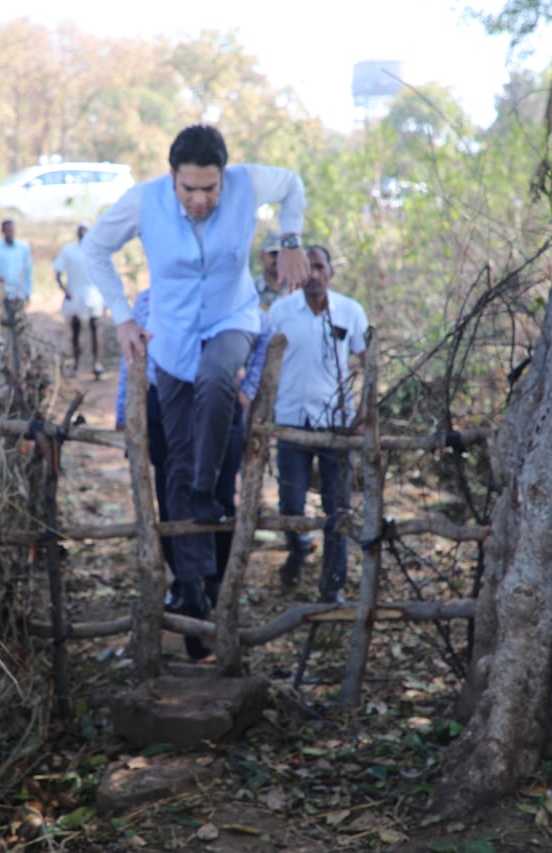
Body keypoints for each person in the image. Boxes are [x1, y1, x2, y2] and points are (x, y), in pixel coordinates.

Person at [86, 123, 309, 647]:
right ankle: (193, 594)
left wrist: (291, 239)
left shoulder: (249, 184)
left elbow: (294, 184)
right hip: (171, 341)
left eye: (211, 188)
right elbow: (96, 249)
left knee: (215, 380)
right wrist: (121, 316)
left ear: (224, 178)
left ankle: (208, 495)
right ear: (172, 178)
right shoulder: (144, 201)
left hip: (232, 321)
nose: (201, 198)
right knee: (179, 469)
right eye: (190, 188)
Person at [115, 289, 271, 626]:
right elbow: (129, 357)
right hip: (160, 402)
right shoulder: (146, 301)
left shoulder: (227, 291)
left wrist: (247, 390)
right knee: (170, 495)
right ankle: (188, 586)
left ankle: (218, 580)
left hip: (216, 403)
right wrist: (124, 410)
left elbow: (265, 331)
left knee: (220, 493)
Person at [267, 245, 369, 604]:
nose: (313, 273)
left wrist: (362, 415)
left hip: (335, 424)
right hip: (291, 420)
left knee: (337, 508)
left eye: (320, 266)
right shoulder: (280, 313)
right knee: (291, 505)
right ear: (297, 274)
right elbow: (264, 364)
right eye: (306, 267)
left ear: (330, 272)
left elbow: (367, 360)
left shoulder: (351, 311)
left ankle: (333, 587)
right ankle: (298, 551)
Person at [54, 223, 106, 379]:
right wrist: (64, 290)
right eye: (81, 232)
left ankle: (97, 364)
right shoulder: (69, 250)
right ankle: (77, 365)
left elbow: (105, 274)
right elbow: (57, 271)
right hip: (75, 295)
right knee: (76, 331)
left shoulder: (98, 251)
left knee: (95, 328)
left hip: (94, 294)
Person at [0, 218, 33, 304]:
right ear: (2, 231)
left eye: (11, 230)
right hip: (0, 292)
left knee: (17, 315)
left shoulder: (23, 248)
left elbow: (27, 270)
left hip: (18, 292)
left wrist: (27, 291)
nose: (9, 232)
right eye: (7, 230)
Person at [253, 230, 284, 308]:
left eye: (282, 254)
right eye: (274, 254)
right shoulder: (251, 289)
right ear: (262, 256)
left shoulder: (295, 289)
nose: (278, 259)